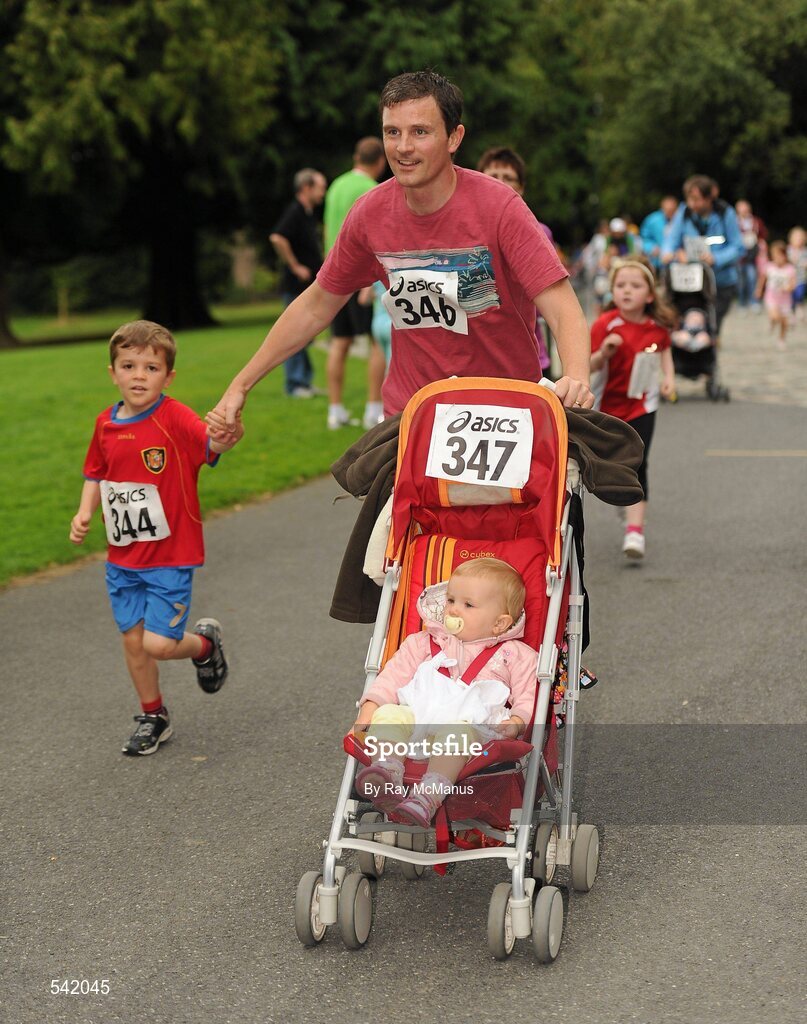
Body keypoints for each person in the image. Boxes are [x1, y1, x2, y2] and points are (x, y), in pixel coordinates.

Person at [207, 71, 593, 442]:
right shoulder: (370, 214)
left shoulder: (500, 208)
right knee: (385, 509)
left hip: (503, 419)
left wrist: (575, 377)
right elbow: (316, 305)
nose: (403, 147)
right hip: (412, 416)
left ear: (454, 138)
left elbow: (561, 306)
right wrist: (241, 384)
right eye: (392, 132)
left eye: (420, 132)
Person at [69, 321, 244, 756]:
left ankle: (203, 645)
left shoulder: (173, 416)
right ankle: (153, 714)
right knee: (134, 642)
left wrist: (222, 439)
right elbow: (97, 472)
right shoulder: (105, 423)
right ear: (113, 372)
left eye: (151, 367)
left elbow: (208, 444)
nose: (139, 375)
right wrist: (84, 511)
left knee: (160, 644)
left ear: (168, 377)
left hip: (170, 555)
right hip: (122, 560)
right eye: (128, 365)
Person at [352, 558, 536, 827]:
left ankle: (427, 797)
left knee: (456, 730)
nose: (453, 610)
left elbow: (529, 694)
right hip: (417, 722)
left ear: (499, 624)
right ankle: (387, 773)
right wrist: (370, 706)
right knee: (391, 713)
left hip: (471, 737)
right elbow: (392, 677)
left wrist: (518, 722)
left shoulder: (514, 655)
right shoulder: (424, 643)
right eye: (450, 600)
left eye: (467, 605)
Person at [590, 258, 675, 561]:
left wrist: (668, 380)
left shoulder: (656, 329)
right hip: (607, 408)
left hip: (643, 405)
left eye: (635, 286)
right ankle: (626, 504)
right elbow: (588, 365)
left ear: (649, 295)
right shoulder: (604, 324)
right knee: (613, 467)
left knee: (639, 464)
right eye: (621, 285)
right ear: (612, 291)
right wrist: (604, 352)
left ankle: (635, 531)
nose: (627, 291)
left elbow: (665, 355)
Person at [323, 137, 389, 430]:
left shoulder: (336, 185)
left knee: (340, 343)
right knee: (377, 341)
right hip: (361, 277)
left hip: (333, 277)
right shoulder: (371, 190)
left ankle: (334, 410)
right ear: (380, 162)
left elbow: (327, 228)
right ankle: (373, 408)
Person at [476, 145, 553, 375]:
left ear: (521, 188)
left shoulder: (538, 232)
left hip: (528, 361)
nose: (500, 183)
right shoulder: (461, 233)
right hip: (476, 363)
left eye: (508, 178)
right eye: (493, 176)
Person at [662, 175, 744, 339]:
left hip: (720, 280)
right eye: (689, 199)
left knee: (715, 321)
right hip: (692, 281)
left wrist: (716, 258)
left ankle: (711, 347)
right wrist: (671, 253)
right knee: (692, 320)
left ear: (709, 198)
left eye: (697, 199)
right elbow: (671, 240)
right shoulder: (684, 213)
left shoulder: (725, 214)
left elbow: (738, 247)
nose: (692, 204)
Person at [269, 168, 327, 397]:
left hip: (307, 287)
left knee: (305, 335)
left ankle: (304, 381)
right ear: (306, 188)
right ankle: (294, 384)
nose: (323, 193)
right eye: (320, 188)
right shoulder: (294, 212)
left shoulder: (307, 213)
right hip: (295, 287)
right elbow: (277, 237)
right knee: (294, 334)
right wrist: (295, 266)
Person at [756, 240, 797, 350]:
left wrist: (787, 288)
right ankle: (772, 322)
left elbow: (793, 284)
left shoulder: (790, 269)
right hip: (771, 297)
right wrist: (759, 290)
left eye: (779, 255)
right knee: (775, 316)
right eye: (774, 255)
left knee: (784, 322)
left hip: (784, 300)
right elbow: (762, 279)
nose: (777, 258)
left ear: (784, 255)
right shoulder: (769, 266)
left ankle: (781, 339)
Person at [734, 199, 768, 312]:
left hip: (753, 255)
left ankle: (754, 301)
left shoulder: (756, 222)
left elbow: (763, 236)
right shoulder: (734, 223)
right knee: (740, 281)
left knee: (752, 278)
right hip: (739, 256)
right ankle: (742, 303)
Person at [640, 196, 678, 271]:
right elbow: (644, 238)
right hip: (657, 263)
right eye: (667, 210)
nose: (670, 213)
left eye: (672, 210)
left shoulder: (681, 220)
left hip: (676, 263)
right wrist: (651, 248)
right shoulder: (652, 220)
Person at [787, 226, 807, 322]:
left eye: (800, 238)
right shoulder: (789, 250)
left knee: (800, 294)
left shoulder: (804, 251)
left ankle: (800, 307)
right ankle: (792, 313)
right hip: (790, 279)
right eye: (796, 238)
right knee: (791, 297)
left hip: (801, 278)